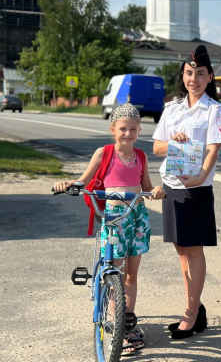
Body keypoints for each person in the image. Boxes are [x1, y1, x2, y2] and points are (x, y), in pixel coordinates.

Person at [53, 103, 165, 356]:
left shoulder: (141, 156)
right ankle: (116, 325)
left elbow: (147, 187)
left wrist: (156, 191)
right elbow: (82, 180)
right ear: (113, 129)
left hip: (136, 215)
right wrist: (67, 184)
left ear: (139, 130)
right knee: (116, 275)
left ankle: (127, 323)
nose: (128, 133)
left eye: (133, 129)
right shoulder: (104, 153)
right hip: (113, 217)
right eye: (123, 128)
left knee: (132, 274)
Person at [152, 45, 221, 340]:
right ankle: (194, 306)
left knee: (193, 250)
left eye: (199, 74)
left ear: (209, 77)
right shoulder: (172, 108)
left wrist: (200, 177)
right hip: (172, 185)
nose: (193, 79)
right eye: (188, 73)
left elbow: (213, 148)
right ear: (183, 75)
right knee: (181, 250)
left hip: (196, 188)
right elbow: (156, 147)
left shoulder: (214, 110)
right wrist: (173, 141)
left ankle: (191, 314)